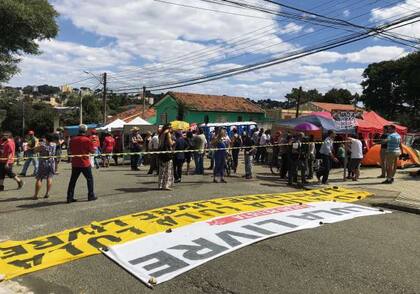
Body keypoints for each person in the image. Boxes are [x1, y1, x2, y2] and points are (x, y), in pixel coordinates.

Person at [67, 124, 96, 203]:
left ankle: (69, 197)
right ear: (85, 130)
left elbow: (69, 150)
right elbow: (92, 151)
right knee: (89, 179)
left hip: (75, 162)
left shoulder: (72, 139)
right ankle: (91, 195)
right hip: (84, 163)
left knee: (73, 181)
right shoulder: (87, 140)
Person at [33, 133, 56, 199]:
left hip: (43, 162)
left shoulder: (42, 145)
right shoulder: (54, 144)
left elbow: (34, 151)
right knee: (49, 177)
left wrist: (37, 143)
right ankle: (47, 193)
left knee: (39, 178)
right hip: (51, 162)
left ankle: (36, 195)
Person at [158, 124, 174, 190]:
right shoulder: (168, 133)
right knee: (168, 170)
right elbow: (170, 143)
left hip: (161, 153)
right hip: (167, 153)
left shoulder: (161, 134)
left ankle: (160, 185)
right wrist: (173, 141)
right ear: (169, 128)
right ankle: (166, 185)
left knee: (162, 170)